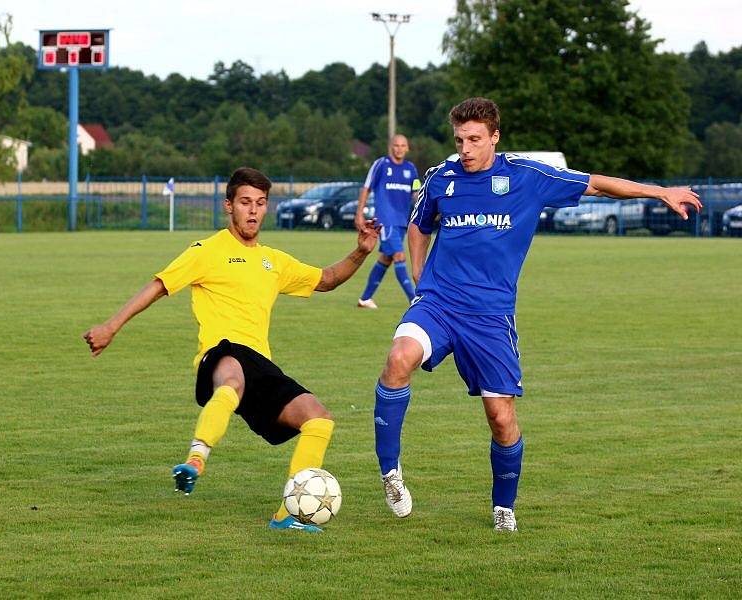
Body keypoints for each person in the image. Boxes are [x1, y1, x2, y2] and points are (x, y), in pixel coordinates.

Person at [372, 97, 702, 531]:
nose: (465, 149)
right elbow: (419, 225)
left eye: (474, 140)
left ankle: (503, 506)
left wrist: (660, 191)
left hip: (490, 317)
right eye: (458, 140)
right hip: (438, 303)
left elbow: (597, 184)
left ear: (494, 137)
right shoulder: (440, 177)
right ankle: (390, 472)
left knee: (501, 417)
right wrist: (418, 284)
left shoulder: (527, 177)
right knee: (398, 359)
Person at [83, 167, 380, 533]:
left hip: (261, 366)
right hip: (220, 354)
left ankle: (287, 514)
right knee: (231, 380)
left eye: (260, 203)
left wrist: (361, 251)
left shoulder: (273, 261)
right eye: (245, 203)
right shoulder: (206, 251)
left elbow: (327, 279)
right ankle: (196, 459)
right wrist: (111, 326)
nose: (253, 211)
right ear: (229, 206)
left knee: (318, 418)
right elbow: (159, 286)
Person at [354, 134, 421, 309]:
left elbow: (415, 193)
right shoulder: (381, 165)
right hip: (385, 221)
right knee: (399, 255)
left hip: (401, 222)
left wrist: (428, 206)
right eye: (396, 145)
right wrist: (359, 213)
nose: (399, 148)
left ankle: (365, 299)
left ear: (407, 148)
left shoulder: (411, 169)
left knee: (386, 259)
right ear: (391, 147)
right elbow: (366, 188)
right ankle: (414, 299)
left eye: (403, 145)